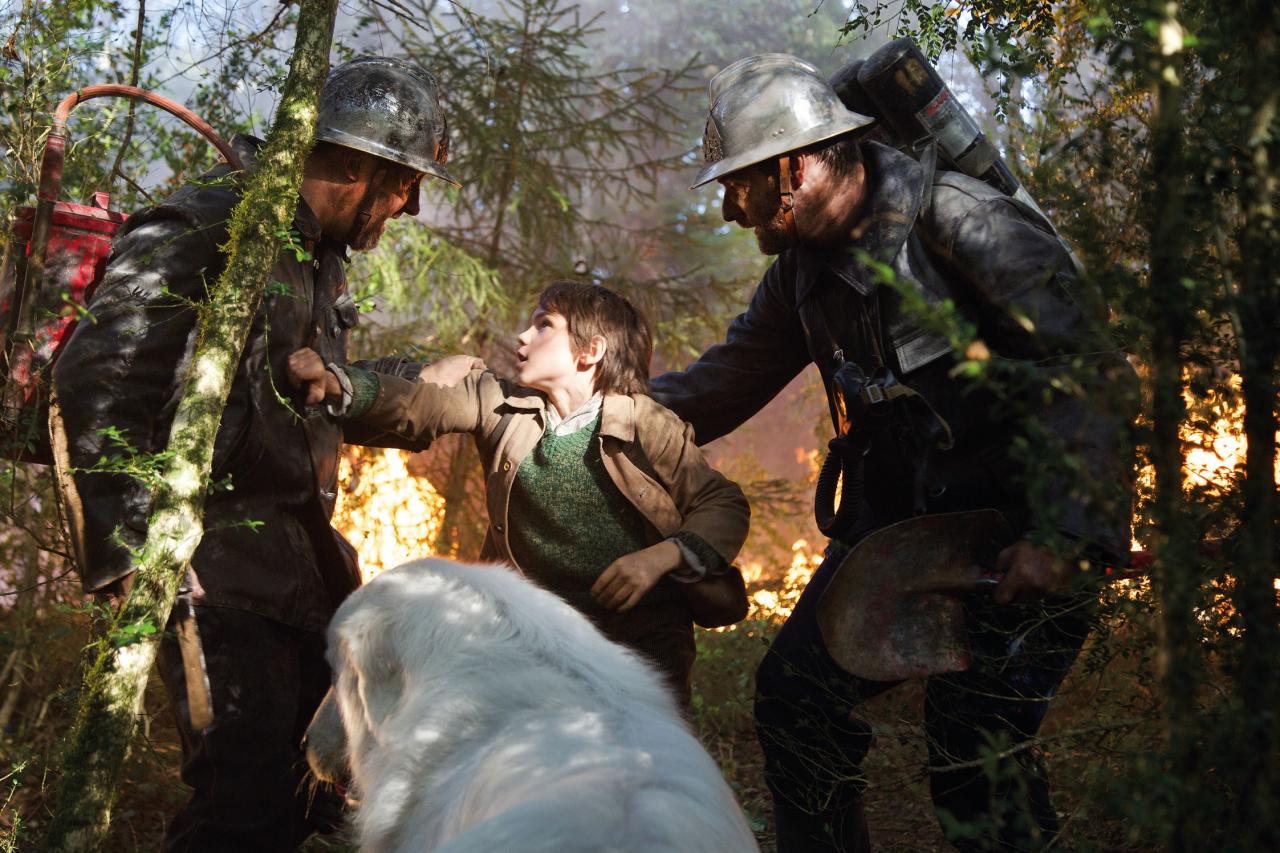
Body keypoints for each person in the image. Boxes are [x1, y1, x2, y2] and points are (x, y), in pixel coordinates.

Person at [648, 54, 1133, 851]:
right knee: (794, 698)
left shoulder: (961, 220)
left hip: (1024, 530)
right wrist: (598, 416)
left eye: (740, 182)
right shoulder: (800, 272)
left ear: (794, 167)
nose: (733, 207)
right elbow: (719, 385)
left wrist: (1064, 533)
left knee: (975, 754)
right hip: (905, 535)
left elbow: (1084, 370)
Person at [52, 57, 457, 852]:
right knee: (241, 807)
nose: (409, 205)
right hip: (214, 574)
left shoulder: (315, 254)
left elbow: (280, 399)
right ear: (353, 164)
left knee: (314, 798)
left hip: (300, 576)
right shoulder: (212, 222)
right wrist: (133, 556)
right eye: (405, 181)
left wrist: (406, 389)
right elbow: (94, 374)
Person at [286, 280, 751, 708]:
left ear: (591, 351)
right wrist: (339, 383)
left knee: (648, 777)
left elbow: (722, 503)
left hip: (641, 646)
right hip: (535, 643)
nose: (523, 337)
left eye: (544, 324)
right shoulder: (502, 406)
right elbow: (419, 404)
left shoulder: (646, 423)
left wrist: (660, 558)